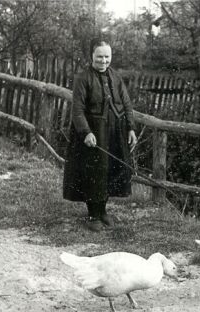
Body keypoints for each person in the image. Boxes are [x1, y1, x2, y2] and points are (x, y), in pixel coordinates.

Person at [63, 39, 137, 232]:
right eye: (99, 57)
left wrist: (130, 128)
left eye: (107, 57)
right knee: (93, 172)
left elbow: (127, 104)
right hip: (93, 133)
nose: (104, 61)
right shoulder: (83, 78)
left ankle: (102, 211)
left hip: (114, 132)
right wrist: (86, 132)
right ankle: (92, 215)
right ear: (91, 57)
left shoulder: (116, 77)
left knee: (108, 170)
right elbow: (77, 110)